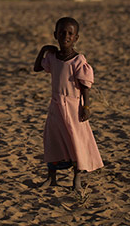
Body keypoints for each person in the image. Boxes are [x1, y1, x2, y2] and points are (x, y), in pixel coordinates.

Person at [33, 17, 103, 192]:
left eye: (70, 34)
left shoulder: (78, 60)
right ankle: (51, 177)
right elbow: (37, 68)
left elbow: (85, 86)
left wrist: (86, 107)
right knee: (52, 140)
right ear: (55, 35)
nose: (66, 36)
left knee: (76, 142)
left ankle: (76, 180)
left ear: (76, 38)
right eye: (62, 33)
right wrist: (43, 49)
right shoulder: (53, 57)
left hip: (74, 108)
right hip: (56, 106)